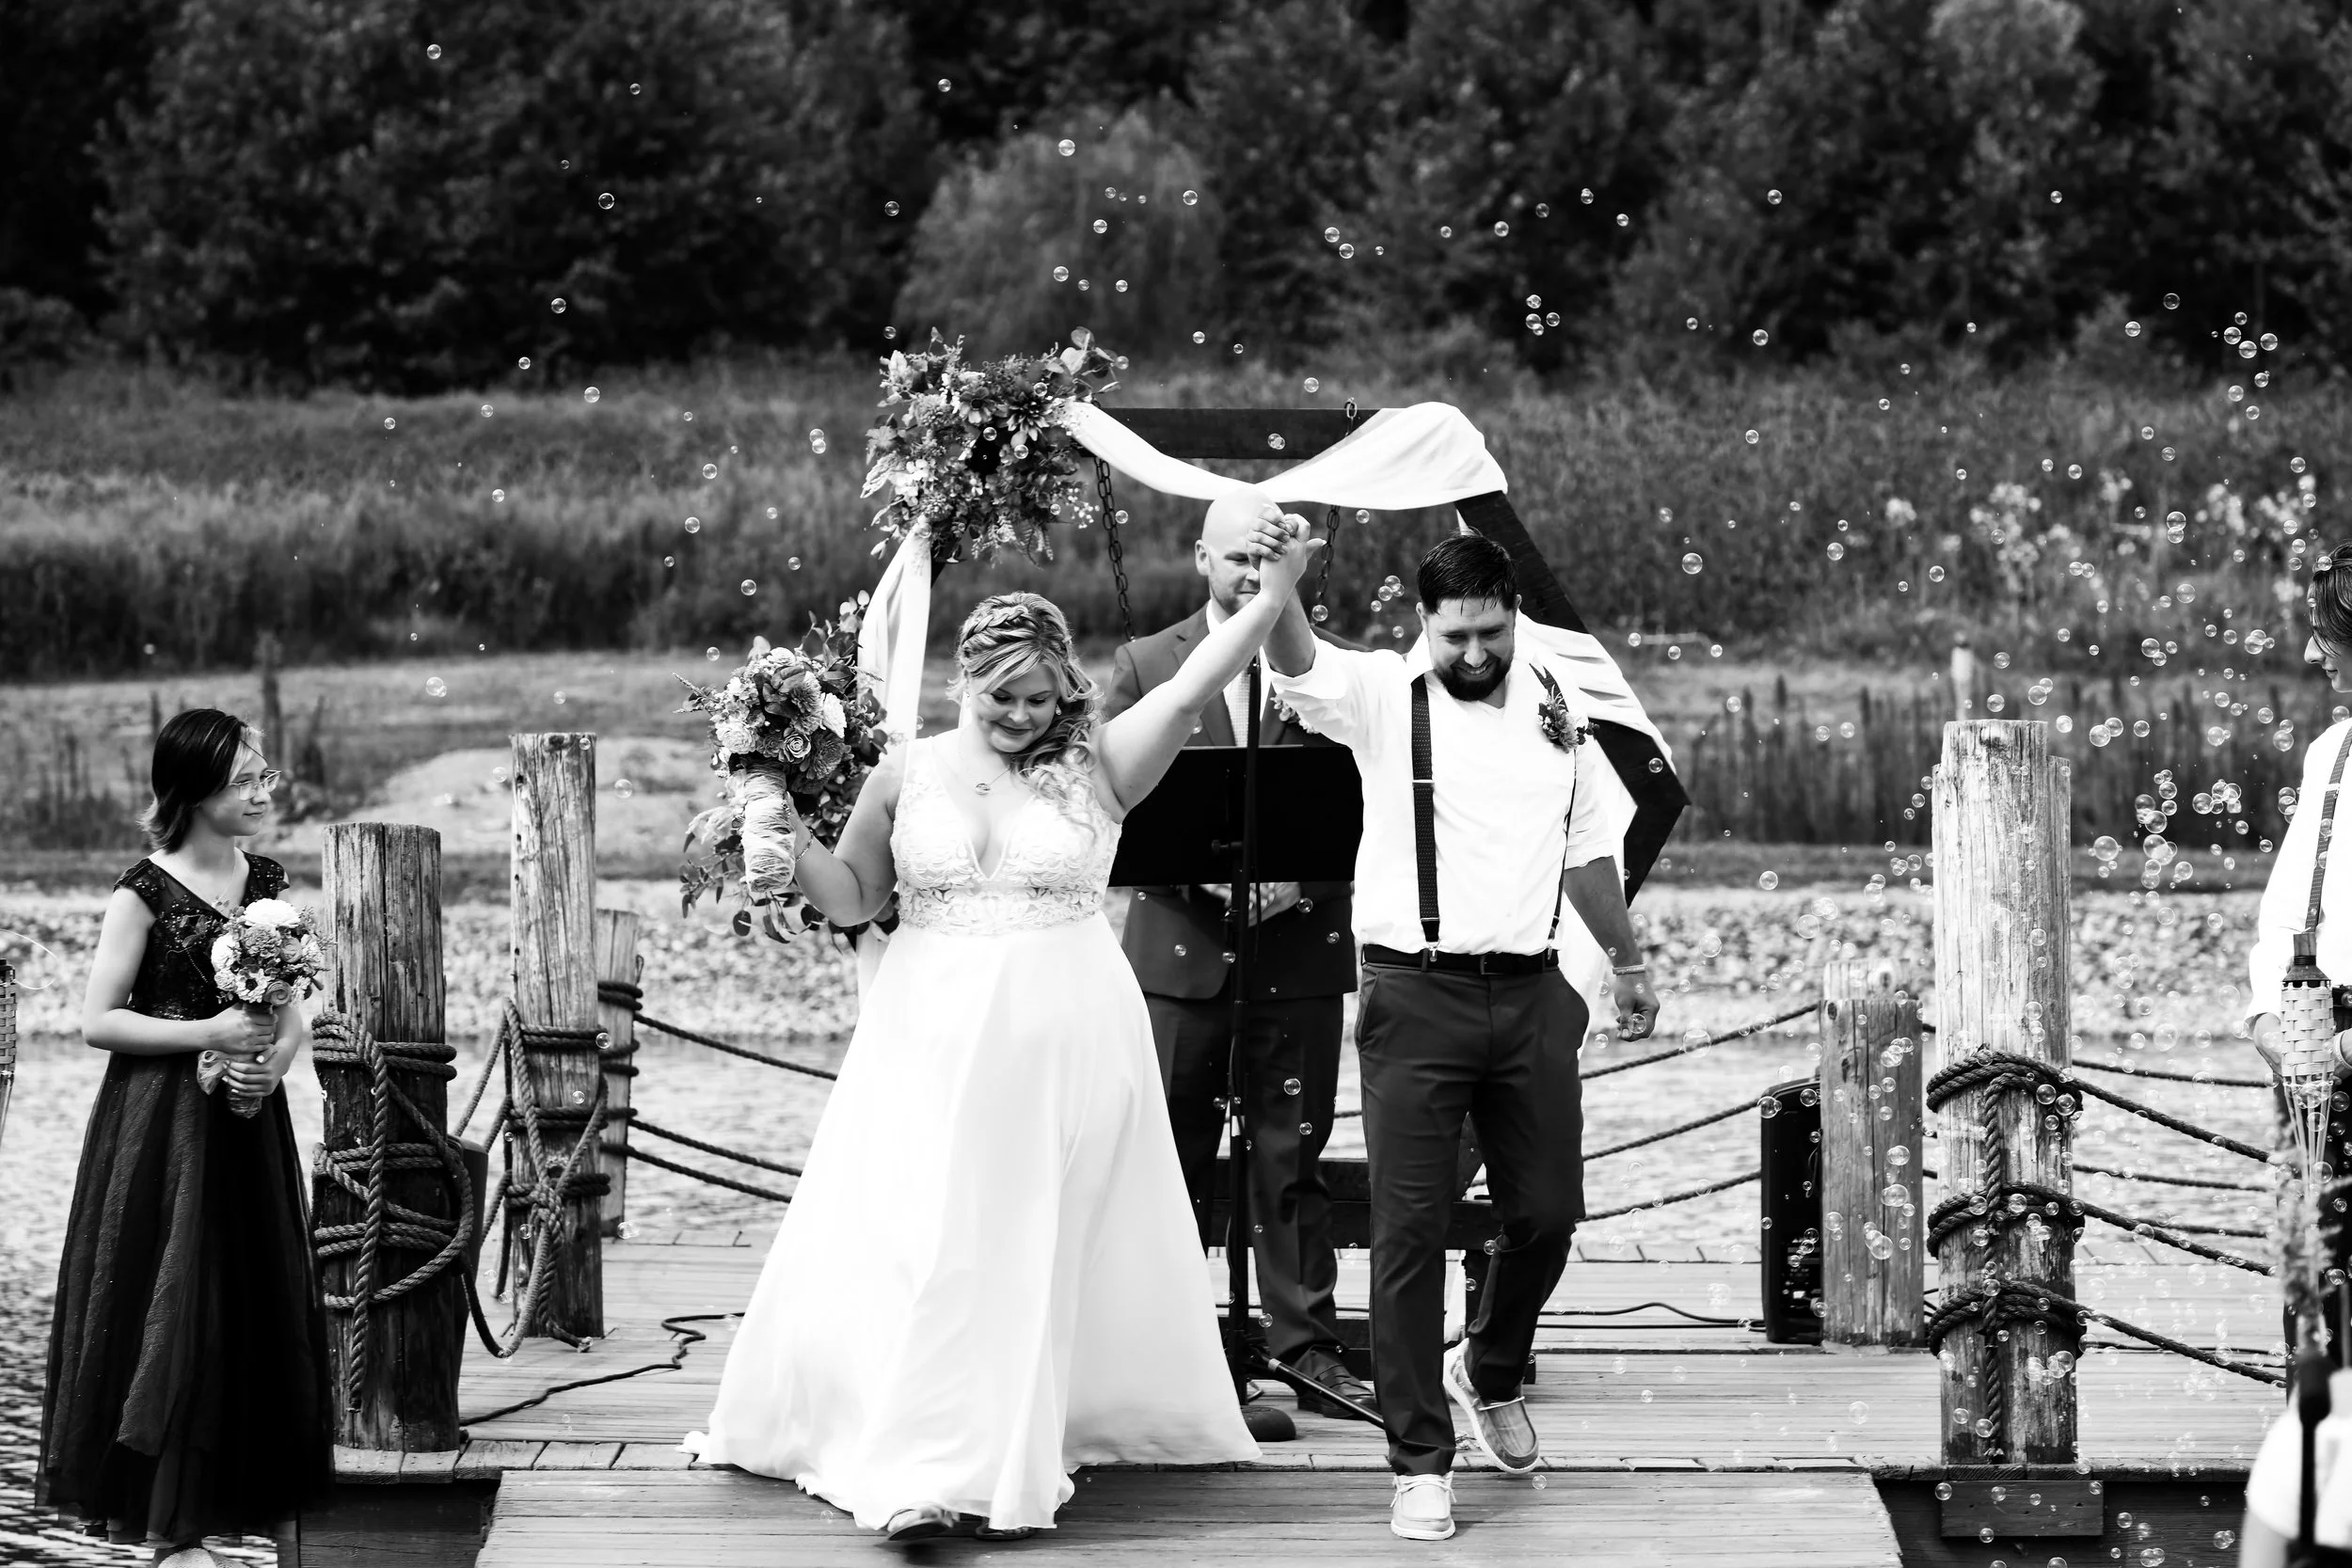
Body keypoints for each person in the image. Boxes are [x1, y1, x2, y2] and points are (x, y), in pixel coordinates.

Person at [685, 509, 1323, 1542]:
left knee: (1017, 1241)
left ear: (1067, 687)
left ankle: (972, 1455)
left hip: (1063, 1037)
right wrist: (772, 817)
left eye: (1041, 695)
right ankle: (923, 1447)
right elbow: (851, 898)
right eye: (1002, 697)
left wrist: (1271, 593)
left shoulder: (1103, 768)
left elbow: (1195, 680)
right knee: (928, 1236)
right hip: (925, 1034)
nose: (1024, 714)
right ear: (964, 683)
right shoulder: (906, 772)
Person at [1262, 531, 1661, 1543]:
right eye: (1455, 635)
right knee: (1408, 1233)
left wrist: (1628, 960)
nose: (1474, 653)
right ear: (1422, 623)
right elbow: (1299, 661)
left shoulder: (1557, 701)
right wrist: (1280, 583)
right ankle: (1418, 1460)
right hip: (1412, 993)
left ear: (1511, 611)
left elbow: (1587, 846)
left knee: (1547, 1212)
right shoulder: (1380, 699)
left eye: (1491, 629)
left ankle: (1484, 1367)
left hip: (1530, 990)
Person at [39, 709, 332, 1567]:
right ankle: (171, 1531)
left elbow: (293, 1008)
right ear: (193, 789)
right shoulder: (143, 890)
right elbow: (99, 1021)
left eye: (265, 775)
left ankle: (262, 1514)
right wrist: (209, 1034)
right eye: (245, 779)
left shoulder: (267, 881)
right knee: (171, 1304)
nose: (263, 791)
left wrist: (273, 1062)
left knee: (252, 1300)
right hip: (159, 1133)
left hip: (246, 1123)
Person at [1104, 490, 1370, 1421]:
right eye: (1235, 559)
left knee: (1289, 1157)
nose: (1251, 577)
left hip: (1298, 953)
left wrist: (1305, 884)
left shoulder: (1329, 670)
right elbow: (1106, 796)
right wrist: (1200, 878)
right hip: (1179, 957)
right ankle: (1169, 1341)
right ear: (1199, 558)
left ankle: (1303, 1344)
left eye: (1269, 560)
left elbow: (1369, 796)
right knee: (1165, 1156)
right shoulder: (1144, 664)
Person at [2247, 544, 2352, 1358]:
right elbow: (2289, 912)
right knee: (2312, 1278)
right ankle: (2317, 1454)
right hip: (2316, 1045)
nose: (2314, 653)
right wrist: (2267, 1019)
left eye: (2328, 632)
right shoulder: (2332, 753)